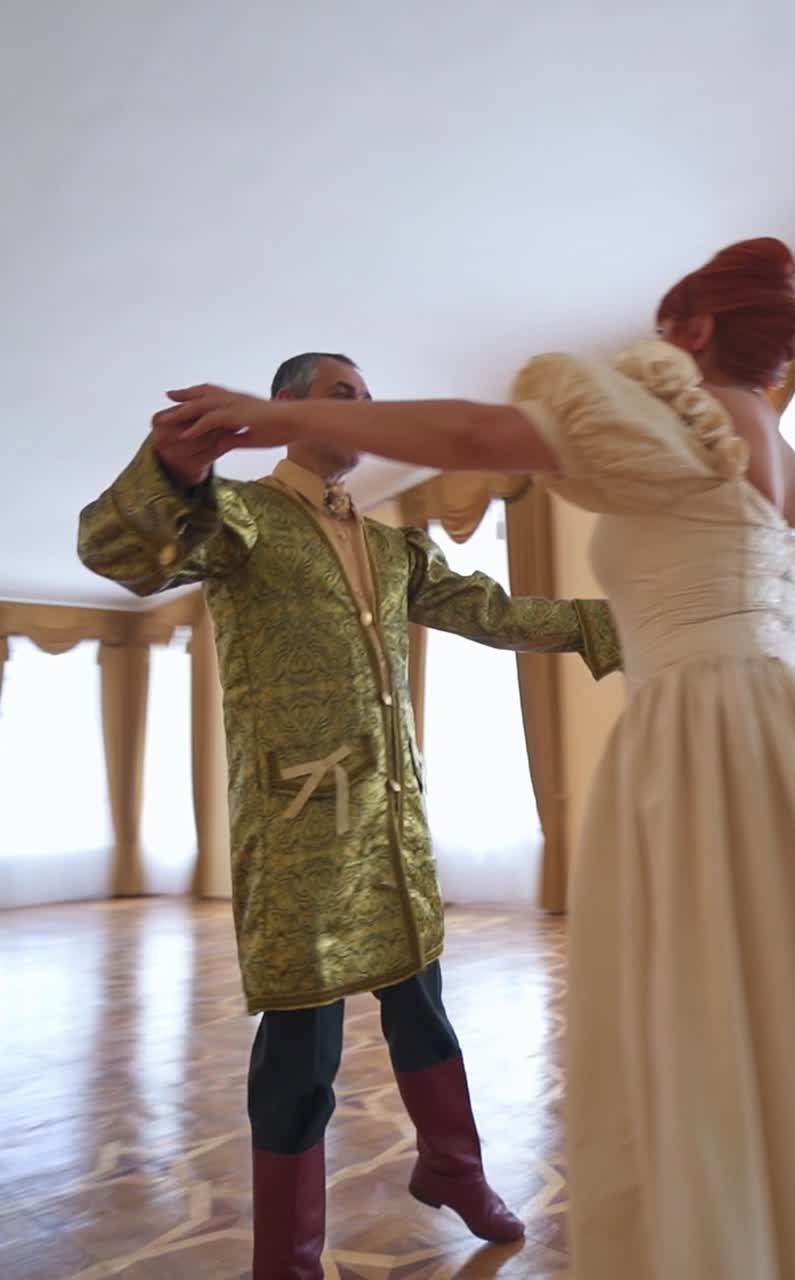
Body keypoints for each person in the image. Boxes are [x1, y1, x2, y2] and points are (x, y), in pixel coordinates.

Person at [154, 242, 795, 1278]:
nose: (359, 403)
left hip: (688, 741)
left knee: (663, 1005)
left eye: (668, 326)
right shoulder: (776, 455)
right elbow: (137, 545)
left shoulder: (637, 443)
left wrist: (280, 410)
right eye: (338, 394)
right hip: (793, 735)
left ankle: (550, 1187)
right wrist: (198, 463)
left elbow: (484, 507)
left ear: (694, 331)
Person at [78, 351, 621, 1279]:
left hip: (392, 820)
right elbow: (118, 553)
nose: (364, 410)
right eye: (342, 394)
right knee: (303, 1044)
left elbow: (492, 613)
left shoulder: (391, 547)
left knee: (424, 1006)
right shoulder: (241, 516)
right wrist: (175, 471)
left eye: (370, 398)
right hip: (301, 828)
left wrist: (623, 620)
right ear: (282, 410)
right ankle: (285, 1258)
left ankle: (452, 1167)